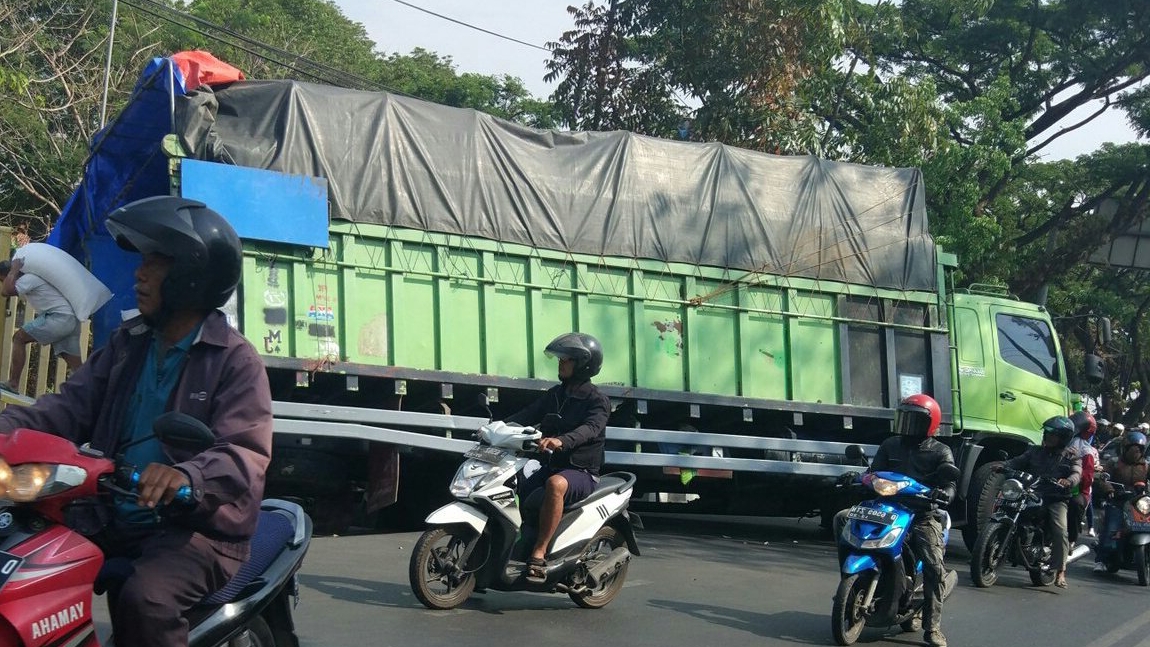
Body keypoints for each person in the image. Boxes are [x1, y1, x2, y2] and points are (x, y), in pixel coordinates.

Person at [0, 196, 272, 647]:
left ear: (191, 276)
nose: (138, 274)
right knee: (23, 563)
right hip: (109, 510)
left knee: (147, 601)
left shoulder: (235, 361)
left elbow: (244, 452)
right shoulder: (129, 344)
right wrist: (7, 428)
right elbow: (66, 408)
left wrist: (186, 475)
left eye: (154, 264)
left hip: (196, 529)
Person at [833, 394, 956, 647]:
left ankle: (933, 627)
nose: (907, 424)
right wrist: (855, 478)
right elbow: (873, 473)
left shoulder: (941, 451)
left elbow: (950, 483)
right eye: (905, 418)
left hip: (921, 513)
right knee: (841, 519)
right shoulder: (891, 444)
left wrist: (942, 493)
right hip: (884, 507)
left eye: (914, 420)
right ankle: (854, 583)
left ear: (930, 424)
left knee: (934, 566)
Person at [505, 332, 610, 582]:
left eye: (567, 359)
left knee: (556, 484)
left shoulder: (598, 401)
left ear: (583, 364)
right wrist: (496, 428)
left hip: (581, 472)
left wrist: (562, 440)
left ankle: (539, 553)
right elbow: (527, 414)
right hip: (550, 466)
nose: (561, 363)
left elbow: (590, 430)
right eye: (560, 359)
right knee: (510, 479)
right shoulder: (555, 395)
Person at [997, 416, 1081, 588]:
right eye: (1046, 432)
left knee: (1059, 530)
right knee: (1004, 506)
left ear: (1063, 438)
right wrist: (1003, 465)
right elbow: (1017, 461)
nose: (1047, 436)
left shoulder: (1071, 456)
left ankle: (1060, 571)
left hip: (1056, 498)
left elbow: (1076, 473)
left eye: (1053, 434)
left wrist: (1068, 481)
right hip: (1032, 493)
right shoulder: (1034, 451)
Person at [0, 256, 83, 391]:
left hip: (59, 317)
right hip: (71, 319)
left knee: (18, 338)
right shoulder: (32, 279)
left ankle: (13, 384)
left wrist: (13, 270)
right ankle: (89, 395)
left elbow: (6, 291)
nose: (3, 283)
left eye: (2, 279)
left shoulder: (28, 279)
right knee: (77, 367)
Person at [1092, 429, 1150, 572]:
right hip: (1118, 501)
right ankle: (1101, 560)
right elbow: (1102, 477)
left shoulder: (1147, 466)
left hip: (1140, 503)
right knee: (1112, 528)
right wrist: (1109, 489)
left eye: (1138, 450)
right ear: (1125, 448)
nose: (1135, 452)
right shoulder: (1115, 463)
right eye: (1132, 449)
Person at [1067, 411, 1099, 539]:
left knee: (1075, 503)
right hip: (1051, 484)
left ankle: (1070, 540)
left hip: (1077, 490)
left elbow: (1086, 478)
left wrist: (1069, 481)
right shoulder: (1059, 441)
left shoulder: (1086, 450)